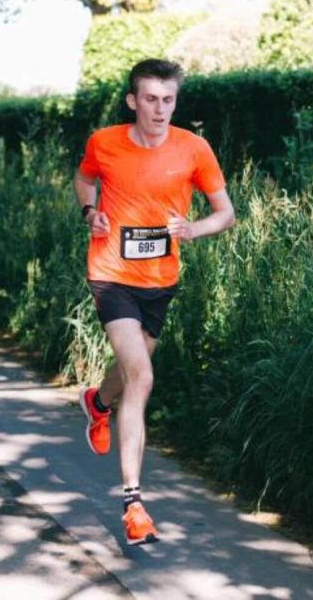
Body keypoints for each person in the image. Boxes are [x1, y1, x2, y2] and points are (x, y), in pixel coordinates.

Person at [74, 58, 237, 546]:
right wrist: (90, 212)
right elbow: (84, 180)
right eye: (150, 98)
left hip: (159, 281)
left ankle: (98, 403)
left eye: (168, 99)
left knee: (129, 373)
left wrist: (194, 229)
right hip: (111, 274)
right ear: (133, 101)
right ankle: (133, 503)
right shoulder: (104, 142)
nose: (160, 109)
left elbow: (225, 213)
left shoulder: (194, 148)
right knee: (142, 375)